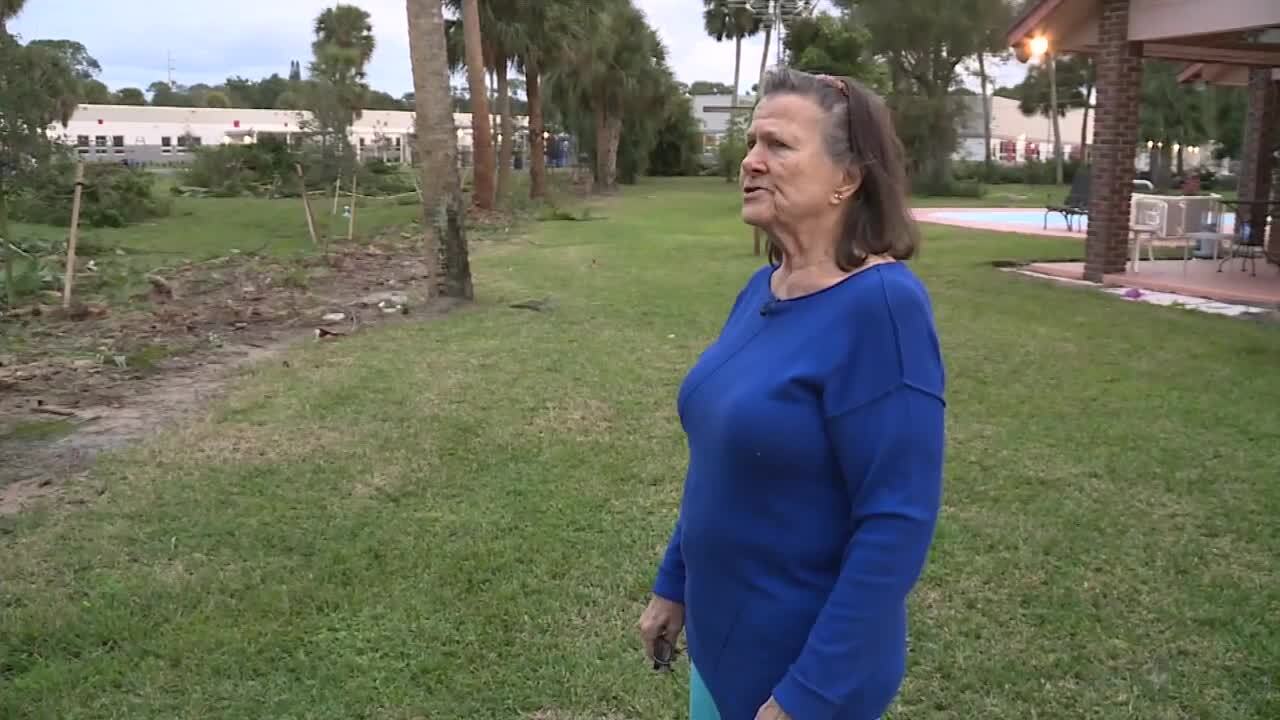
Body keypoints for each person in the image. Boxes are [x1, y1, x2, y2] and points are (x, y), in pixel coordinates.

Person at [638, 68, 946, 720]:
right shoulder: (762, 289)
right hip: (723, 654)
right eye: (751, 142)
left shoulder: (884, 308)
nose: (750, 161)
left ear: (848, 177)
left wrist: (808, 695)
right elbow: (718, 462)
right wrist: (675, 584)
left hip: (803, 679)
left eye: (777, 146)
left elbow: (896, 523)